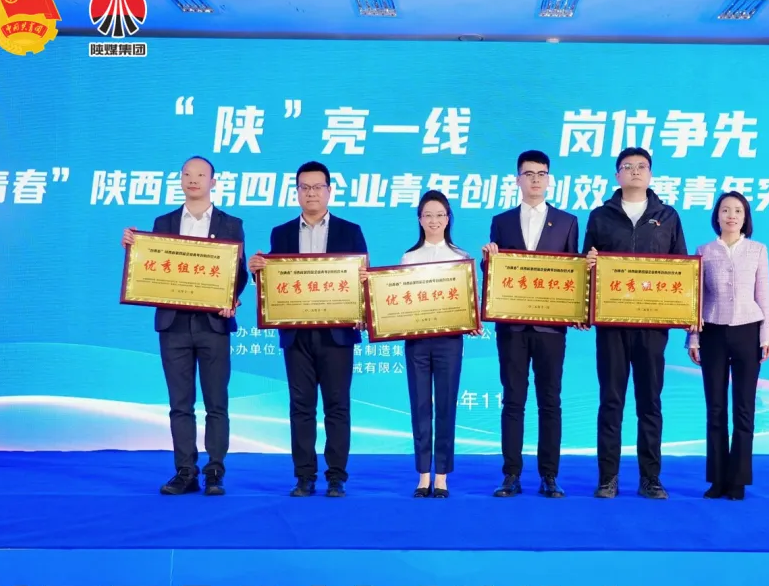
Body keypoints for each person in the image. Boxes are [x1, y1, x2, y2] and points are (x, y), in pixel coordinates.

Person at [120, 155, 248, 496]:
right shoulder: (163, 223)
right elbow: (150, 266)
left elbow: (238, 274)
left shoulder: (231, 224)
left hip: (213, 324)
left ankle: (215, 471)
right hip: (173, 324)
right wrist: (133, 249)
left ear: (213, 182)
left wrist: (231, 297)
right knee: (180, 403)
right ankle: (185, 471)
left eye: (201, 174)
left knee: (216, 403)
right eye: (187, 174)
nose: (193, 179)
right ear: (180, 180)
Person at [248, 161, 367, 498]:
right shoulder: (281, 233)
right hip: (296, 334)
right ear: (297, 192)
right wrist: (258, 272)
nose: (311, 193)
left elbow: (362, 280)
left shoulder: (350, 231)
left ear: (329, 191)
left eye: (318, 187)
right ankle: (304, 476)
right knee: (301, 406)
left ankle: (336, 476)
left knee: (337, 406)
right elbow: (276, 281)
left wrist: (363, 289)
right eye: (305, 187)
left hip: (337, 334)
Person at [583, 147, 686, 499]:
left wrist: (683, 317)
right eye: (628, 166)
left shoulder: (667, 216)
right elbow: (585, 268)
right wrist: (589, 262)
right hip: (611, 325)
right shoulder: (600, 217)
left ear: (651, 174)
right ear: (617, 175)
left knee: (649, 403)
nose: (635, 171)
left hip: (652, 327)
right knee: (611, 401)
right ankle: (607, 478)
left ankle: (650, 479)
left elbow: (681, 270)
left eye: (642, 166)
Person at [482, 151, 579, 499]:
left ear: (549, 179)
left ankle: (549, 475)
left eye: (541, 173)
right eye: (529, 174)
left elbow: (573, 275)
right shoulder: (502, 222)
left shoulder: (567, 222)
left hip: (551, 329)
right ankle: (511, 474)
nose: (536, 179)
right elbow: (496, 276)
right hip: (512, 329)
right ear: (517, 180)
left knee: (550, 401)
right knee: (513, 401)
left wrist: (580, 311)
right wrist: (488, 261)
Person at [376, 190, 476, 498]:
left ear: (448, 219)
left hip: (449, 342)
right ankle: (422, 475)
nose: (434, 220)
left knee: (445, 406)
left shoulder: (460, 258)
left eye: (440, 215)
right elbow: (397, 301)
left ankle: (442, 476)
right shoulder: (409, 258)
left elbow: (469, 301)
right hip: (417, 342)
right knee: (420, 405)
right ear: (420, 220)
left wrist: (472, 319)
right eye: (428, 215)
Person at [686, 191, 769, 501]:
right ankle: (718, 479)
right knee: (715, 408)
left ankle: (738, 481)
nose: (731, 215)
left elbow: (764, 295)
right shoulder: (704, 251)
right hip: (712, 330)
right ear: (717, 216)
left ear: (745, 217)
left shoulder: (758, 250)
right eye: (725, 210)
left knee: (744, 409)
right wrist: (693, 338)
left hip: (748, 330)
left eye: (737, 210)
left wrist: (766, 336)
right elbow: (697, 299)